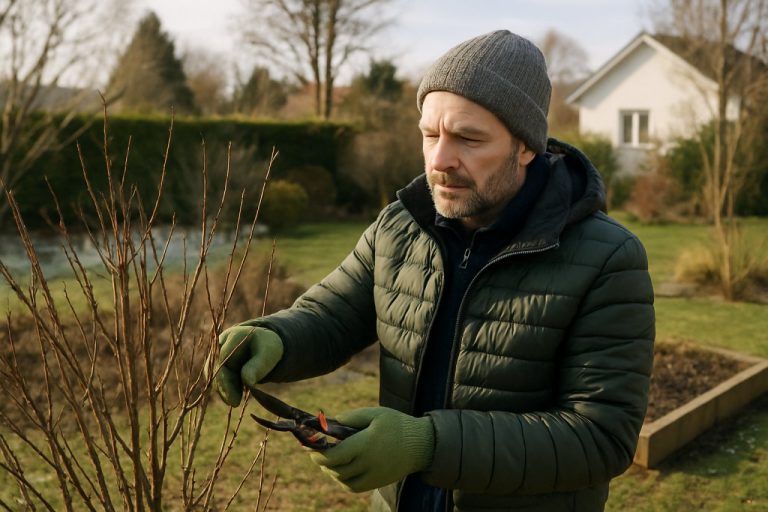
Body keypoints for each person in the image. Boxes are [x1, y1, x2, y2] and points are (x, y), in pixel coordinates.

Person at [215, 29, 655, 512]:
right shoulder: (400, 225)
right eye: (430, 135)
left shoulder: (608, 259)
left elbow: (600, 436)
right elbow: (333, 315)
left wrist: (426, 445)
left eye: (468, 138)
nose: (440, 160)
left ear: (526, 146)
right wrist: (277, 339)